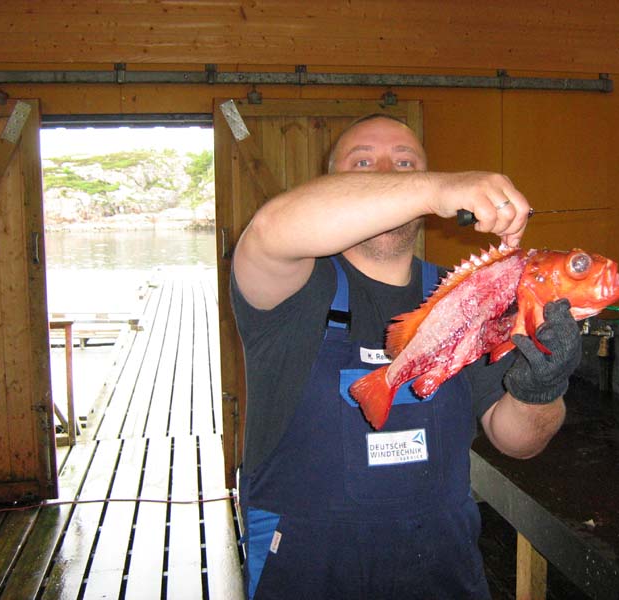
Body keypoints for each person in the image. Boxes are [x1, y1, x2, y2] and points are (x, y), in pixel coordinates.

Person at [230, 113, 582, 599]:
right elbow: (271, 227)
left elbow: (519, 442)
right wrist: (434, 188)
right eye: (363, 163)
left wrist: (540, 390)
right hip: (307, 573)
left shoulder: (467, 296)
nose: (386, 174)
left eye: (404, 162)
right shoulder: (288, 284)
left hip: (443, 572)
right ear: (332, 186)